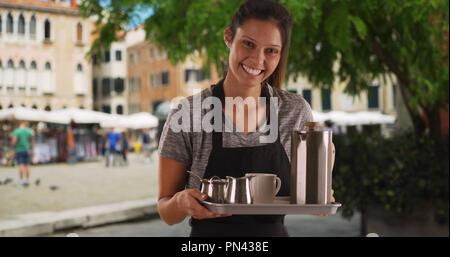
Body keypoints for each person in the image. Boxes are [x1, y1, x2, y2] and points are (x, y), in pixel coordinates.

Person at [157, 0, 334, 237]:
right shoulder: (188, 113)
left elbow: (308, 190)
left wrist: (319, 196)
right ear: (228, 38)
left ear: (280, 54)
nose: (257, 59)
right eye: (248, 44)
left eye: (271, 50)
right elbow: (166, 211)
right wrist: (179, 203)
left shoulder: (294, 111)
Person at [12, 121, 33, 186]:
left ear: (19, 124)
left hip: (19, 150)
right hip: (26, 150)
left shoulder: (16, 131)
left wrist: (14, 144)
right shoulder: (28, 131)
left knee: (21, 165)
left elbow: (14, 141)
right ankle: (27, 180)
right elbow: (30, 140)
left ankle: (21, 181)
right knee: (27, 166)